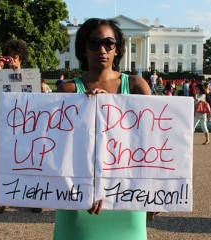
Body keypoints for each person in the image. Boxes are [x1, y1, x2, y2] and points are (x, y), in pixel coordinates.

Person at [53, 18, 155, 240]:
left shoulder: (137, 86)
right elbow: (57, 150)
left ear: (117, 48)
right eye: (93, 43)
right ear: (83, 48)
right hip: (80, 199)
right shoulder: (68, 90)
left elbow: (150, 143)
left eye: (109, 43)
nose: (102, 49)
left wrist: (114, 108)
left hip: (126, 198)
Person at [0, 39, 42, 214]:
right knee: (6, 161)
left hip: (26, 124)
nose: (12, 60)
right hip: (5, 124)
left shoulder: (29, 75)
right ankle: (4, 197)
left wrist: (17, 72)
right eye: (9, 57)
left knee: (30, 161)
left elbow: (34, 96)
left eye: (15, 57)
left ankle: (33, 197)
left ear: (21, 58)